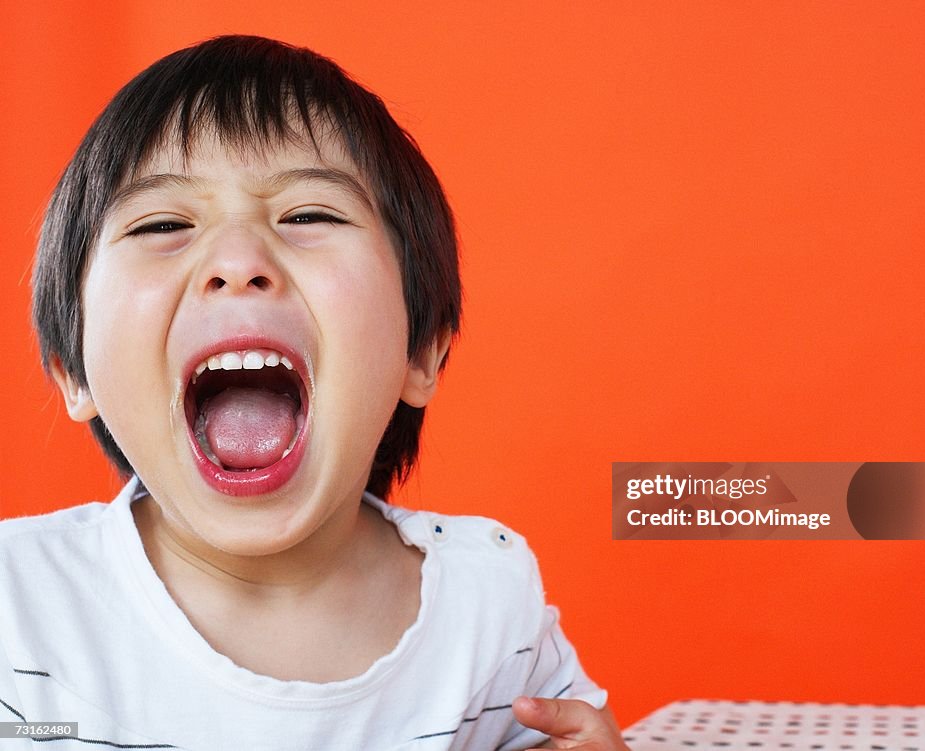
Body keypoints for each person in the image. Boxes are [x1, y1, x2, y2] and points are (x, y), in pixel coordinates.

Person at [1, 35, 628, 750]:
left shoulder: (488, 604)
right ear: (73, 370)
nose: (238, 262)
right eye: (164, 224)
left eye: (308, 216)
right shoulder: (18, 609)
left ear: (420, 350)